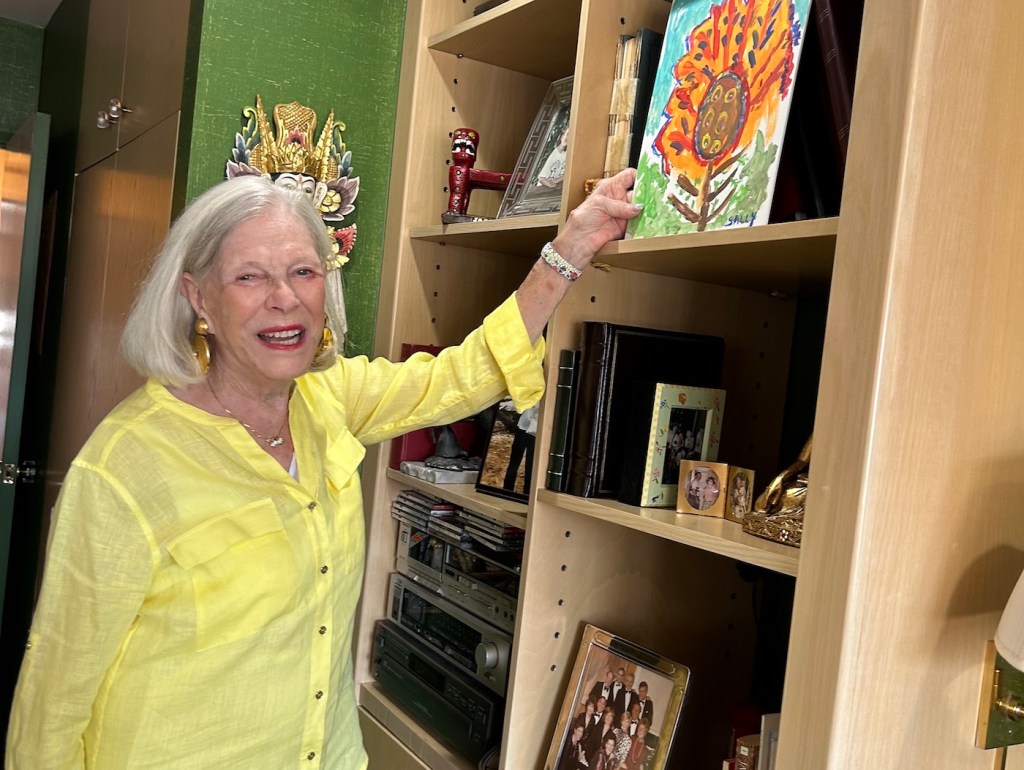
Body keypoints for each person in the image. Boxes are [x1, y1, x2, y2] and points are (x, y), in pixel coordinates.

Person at [5, 168, 642, 768]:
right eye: (249, 277)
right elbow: (54, 697)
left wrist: (569, 249)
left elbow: (463, 375)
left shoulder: (327, 399)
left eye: (303, 271)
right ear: (198, 296)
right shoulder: (123, 467)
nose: (284, 300)